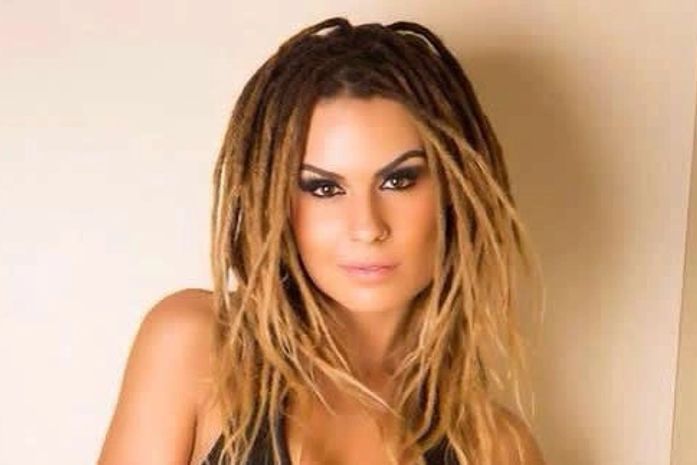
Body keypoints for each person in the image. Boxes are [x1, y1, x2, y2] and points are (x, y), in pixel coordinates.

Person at [98, 16, 546, 465]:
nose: (366, 226)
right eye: (324, 188)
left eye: (399, 181)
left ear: (457, 189)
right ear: (273, 199)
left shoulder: (496, 447)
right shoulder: (197, 346)